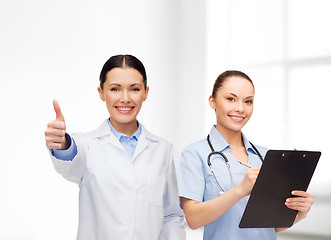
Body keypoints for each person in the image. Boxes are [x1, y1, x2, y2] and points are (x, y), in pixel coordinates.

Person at [44, 54, 186, 240]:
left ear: (146, 92)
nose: (125, 98)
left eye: (134, 89)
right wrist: (62, 144)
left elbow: (172, 215)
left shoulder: (163, 149)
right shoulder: (87, 145)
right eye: (115, 89)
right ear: (101, 92)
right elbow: (71, 163)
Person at [176, 70, 314, 239]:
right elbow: (193, 219)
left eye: (248, 101)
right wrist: (240, 190)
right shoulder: (194, 154)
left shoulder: (266, 156)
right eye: (230, 99)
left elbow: (269, 227)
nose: (240, 108)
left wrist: (299, 213)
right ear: (212, 101)